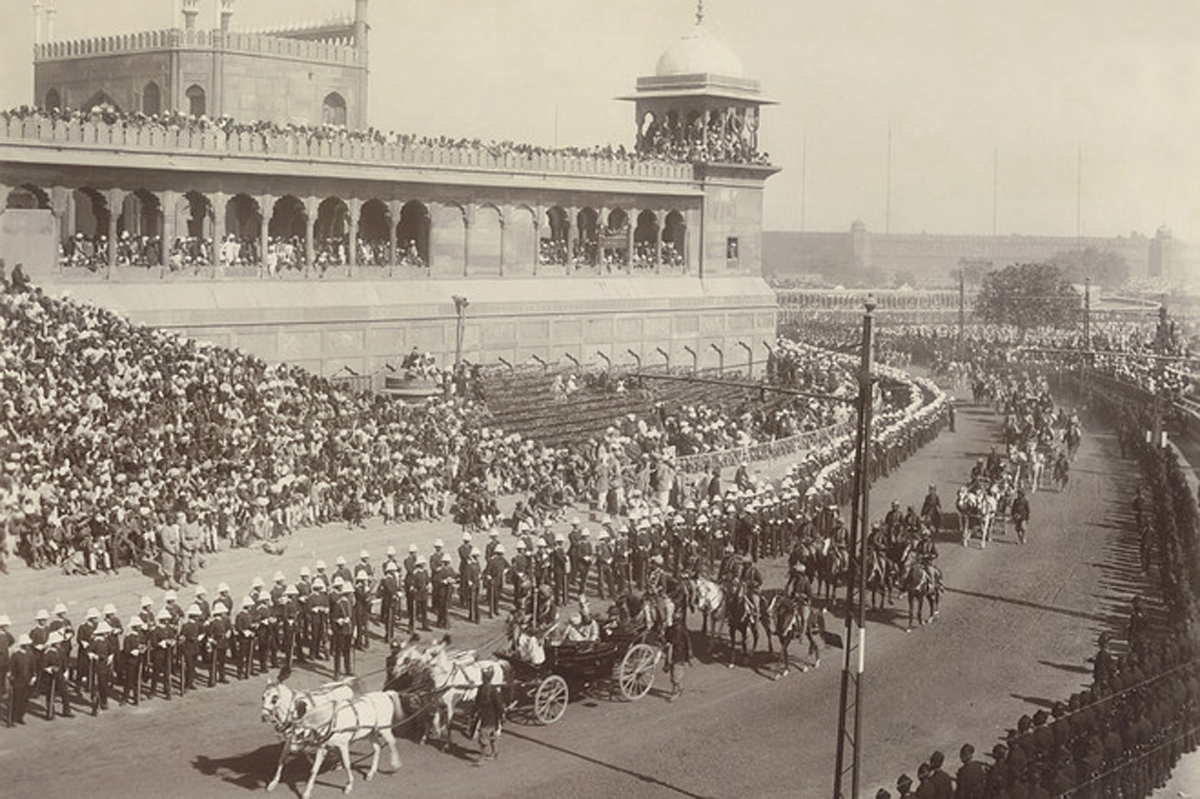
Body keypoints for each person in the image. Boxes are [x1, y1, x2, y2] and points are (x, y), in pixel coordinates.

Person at [469, 666, 506, 764]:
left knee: (483, 739)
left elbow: (477, 703)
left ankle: (481, 758)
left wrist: (473, 713)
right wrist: (501, 716)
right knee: (492, 736)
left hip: (486, 717)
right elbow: (499, 706)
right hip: (493, 718)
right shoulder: (493, 690)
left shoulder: (483, 689)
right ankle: (495, 753)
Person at [10, 634, 36, 724]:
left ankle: (20, 717)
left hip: (27, 680)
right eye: (26, 644)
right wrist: (11, 677)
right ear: (22, 645)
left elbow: (33, 667)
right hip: (18, 680)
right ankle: (13, 717)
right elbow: (11, 668)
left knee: (25, 700)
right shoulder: (16, 655)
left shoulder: (30, 655)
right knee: (16, 700)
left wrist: (33, 677)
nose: (28, 645)